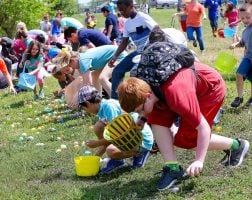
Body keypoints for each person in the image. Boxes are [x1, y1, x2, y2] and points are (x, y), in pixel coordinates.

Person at [117, 41, 250, 191]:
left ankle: (237, 146)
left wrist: (199, 160)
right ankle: (173, 168)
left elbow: (203, 128)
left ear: (148, 96)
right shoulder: (144, 83)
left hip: (209, 89)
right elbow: (150, 109)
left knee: (188, 140)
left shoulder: (177, 94)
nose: (141, 113)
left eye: (140, 110)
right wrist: (143, 119)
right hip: (176, 90)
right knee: (156, 120)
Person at [78, 85, 154, 174]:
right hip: (128, 138)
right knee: (99, 126)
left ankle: (140, 153)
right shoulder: (102, 109)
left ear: (88, 103)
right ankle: (117, 160)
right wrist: (96, 157)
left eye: (84, 108)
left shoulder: (109, 107)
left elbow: (116, 136)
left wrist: (96, 143)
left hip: (140, 139)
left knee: (111, 150)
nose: (86, 111)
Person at [108, 0, 158, 99]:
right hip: (138, 52)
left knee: (135, 72)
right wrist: (115, 56)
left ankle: (140, 100)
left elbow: (157, 31)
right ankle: (116, 102)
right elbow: (124, 42)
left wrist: (150, 47)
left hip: (149, 52)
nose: (121, 13)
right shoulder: (127, 23)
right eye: (120, 11)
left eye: (123, 10)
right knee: (117, 71)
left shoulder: (142, 17)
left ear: (131, 6)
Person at [53, 45, 126, 100]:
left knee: (102, 78)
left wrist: (76, 98)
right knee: (95, 76)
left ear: (72, 60)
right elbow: (84, 82)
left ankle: (118, 101)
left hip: (118, 56)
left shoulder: (82, 61)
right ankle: (99, 102)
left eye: (68, 67)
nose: (68, 72)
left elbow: (88, 84)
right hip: (110, 59)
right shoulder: (79, 61)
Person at [229, 4, 252, 108]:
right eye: (242, 18)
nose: (245, 20)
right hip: (248, 57)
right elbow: (242, 43)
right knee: (239, 73)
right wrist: (235, 44)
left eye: (248, 17)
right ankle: (239, 97)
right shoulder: (244, 31)